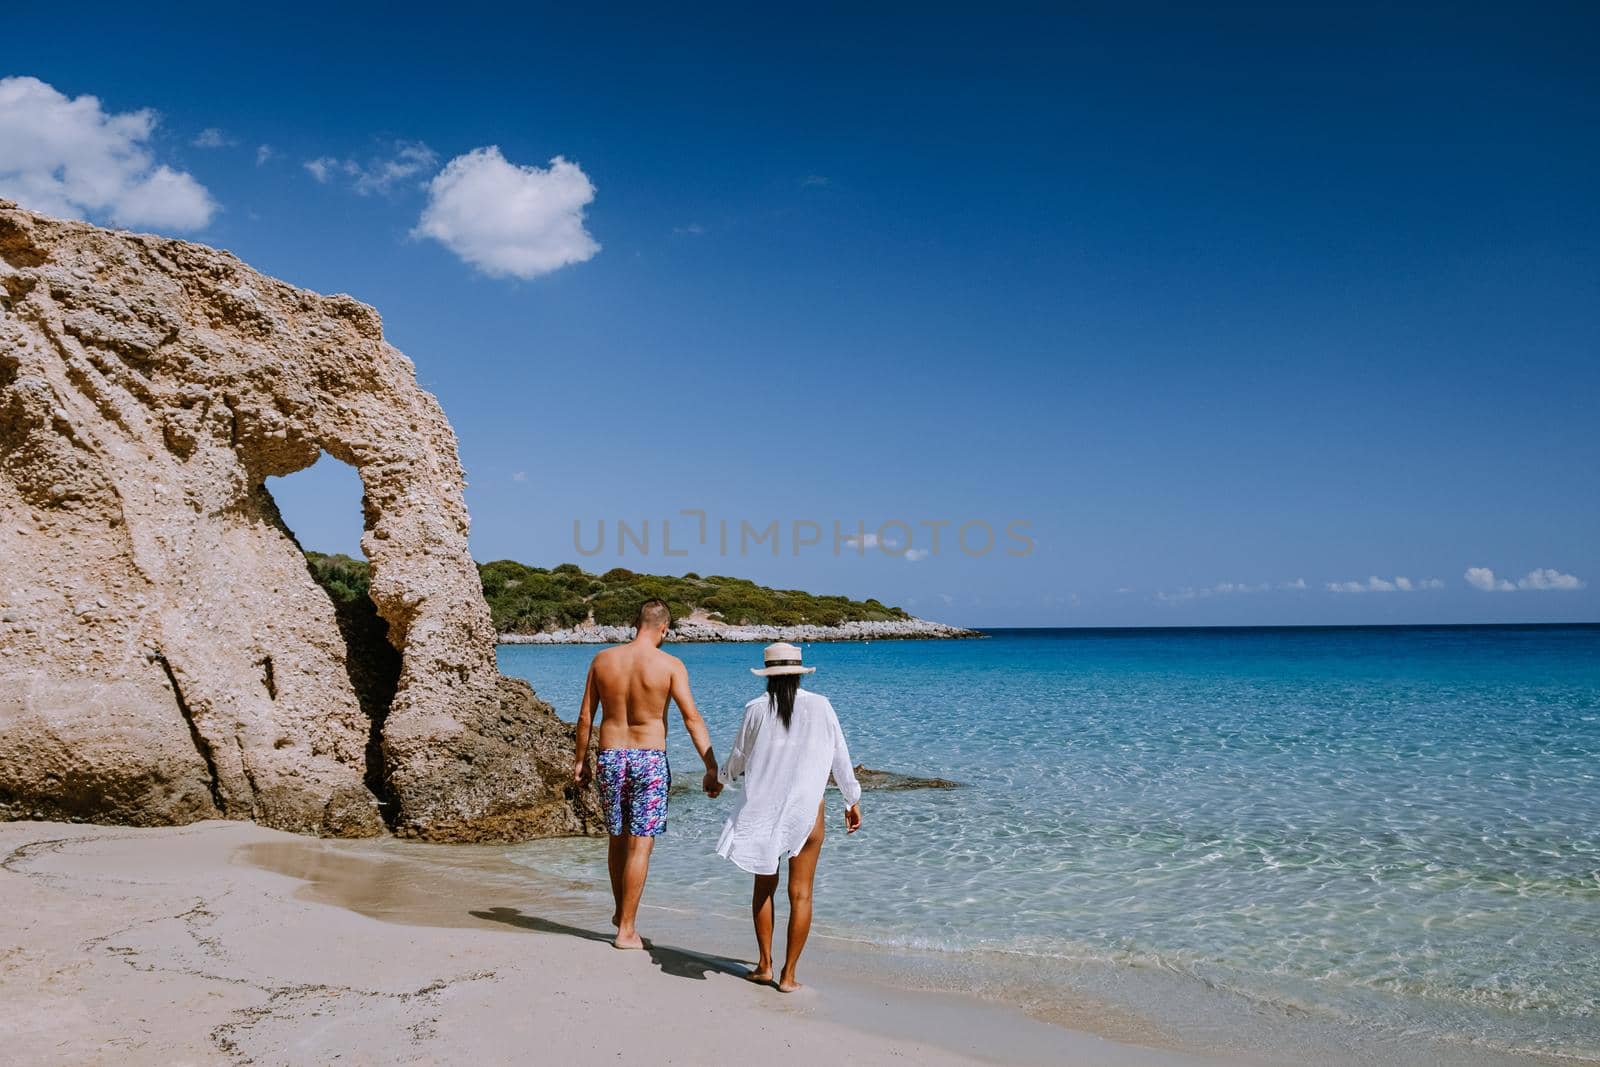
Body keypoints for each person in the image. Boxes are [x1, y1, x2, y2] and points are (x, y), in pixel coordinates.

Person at [572, 599, 721, 949]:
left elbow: (584, 718)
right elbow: (691, 718)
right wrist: (711, 766)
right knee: (641, 844)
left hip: (610, 755)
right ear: (664, 628)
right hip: (649, 758)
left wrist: (581, 761)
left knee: (617, 838)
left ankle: (621, 911)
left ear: (634, 622)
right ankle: (626, 930)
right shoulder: (669, 664)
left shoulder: (603, 660)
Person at [716, 642, 862, 992]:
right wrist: (851, 799)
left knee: (764, 888)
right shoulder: (822, 706)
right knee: (802, 894)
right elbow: (839, 756)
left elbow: (738, 756)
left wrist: (720, 780)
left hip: (763, 813)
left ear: (767, 676)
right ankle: (789, 975)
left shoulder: (756, 709)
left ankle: (764, 964)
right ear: (799, 673)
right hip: (808, 813)